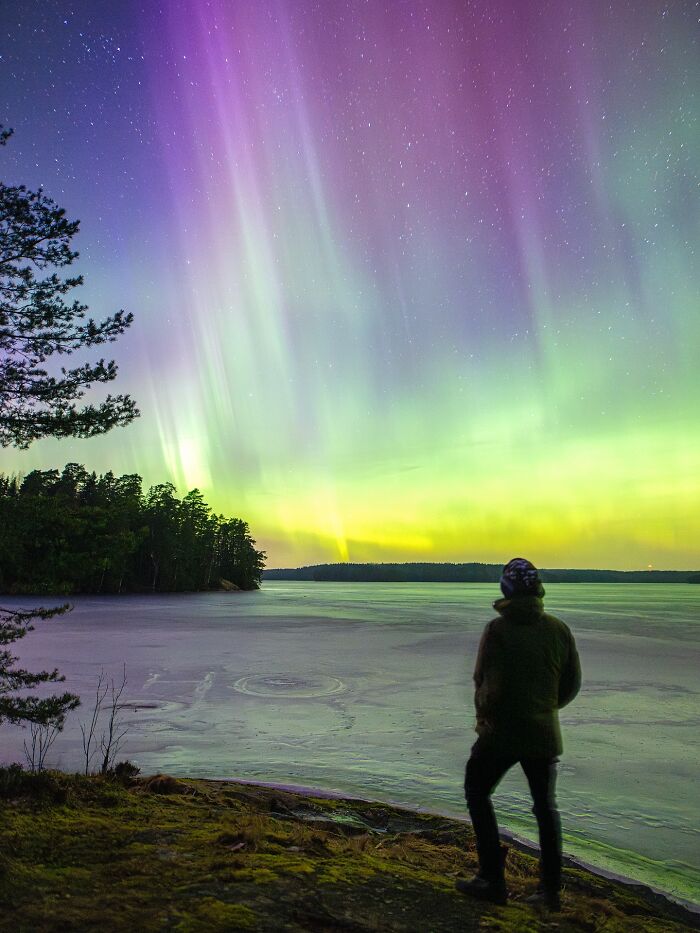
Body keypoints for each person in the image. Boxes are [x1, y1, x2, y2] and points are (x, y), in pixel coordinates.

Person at [456, 558, 581, 910]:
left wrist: (484, 719)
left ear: (506, 590)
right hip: (543, 733)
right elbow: (570, 685)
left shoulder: (498, 630)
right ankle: (550, 892)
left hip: (501, 733)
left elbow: (485, 684)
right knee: (545, 808)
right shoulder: (559, 629)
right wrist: (542, 708)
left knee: (477, 791)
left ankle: (492, 879)